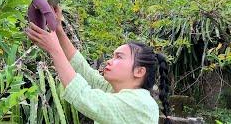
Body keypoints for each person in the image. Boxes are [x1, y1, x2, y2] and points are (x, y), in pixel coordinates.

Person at [25, 6, 172, 124]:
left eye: (118, 57)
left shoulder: (140, 104)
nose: (109, 61)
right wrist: (58, 30)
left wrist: (54, 49)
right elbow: (84, 71)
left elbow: (84, 96)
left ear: (139, 71)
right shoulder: (116, 91)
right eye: (112, 56)